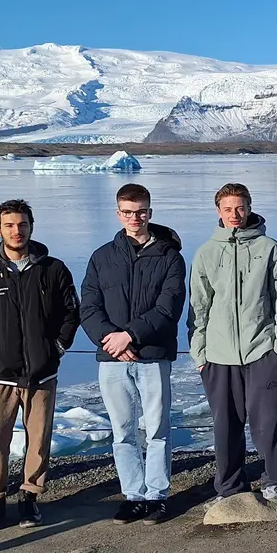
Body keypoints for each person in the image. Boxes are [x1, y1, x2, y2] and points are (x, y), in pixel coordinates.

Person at [0, 200, 81, 530]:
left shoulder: (53, 269)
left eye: (22, 224)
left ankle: (30, 499)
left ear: (31, 227)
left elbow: (71, 313)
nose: (17, 230)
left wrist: (57, 347)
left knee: (38, 441)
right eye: (9, 225)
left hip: (42, 373)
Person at [80, 183, 186, 524]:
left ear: (150, 213)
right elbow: (89, 307)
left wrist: (130, 335)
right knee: (122, 429)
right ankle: (133, 494)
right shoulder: (101, 257)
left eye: (140, 211)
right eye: (128, 212)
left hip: (153, 354)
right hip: (112, 357)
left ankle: (156, 495)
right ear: (118, 214)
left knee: (157, 429)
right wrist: (110, 339)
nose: (135, 218)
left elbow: (168, 307)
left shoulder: (170, 257)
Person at [190, 183, 277, 504]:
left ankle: (276, 479)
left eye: (240, 208)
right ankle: (230, 485)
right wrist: (200, 352)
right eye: (227, 209)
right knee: (225, 424)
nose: (234, 215)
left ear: (249, 208)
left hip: (262, 350)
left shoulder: (269, 248)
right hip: (219, 355)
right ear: (218, 211)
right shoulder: (207, 252)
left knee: (270, 419)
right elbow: (199, 306)